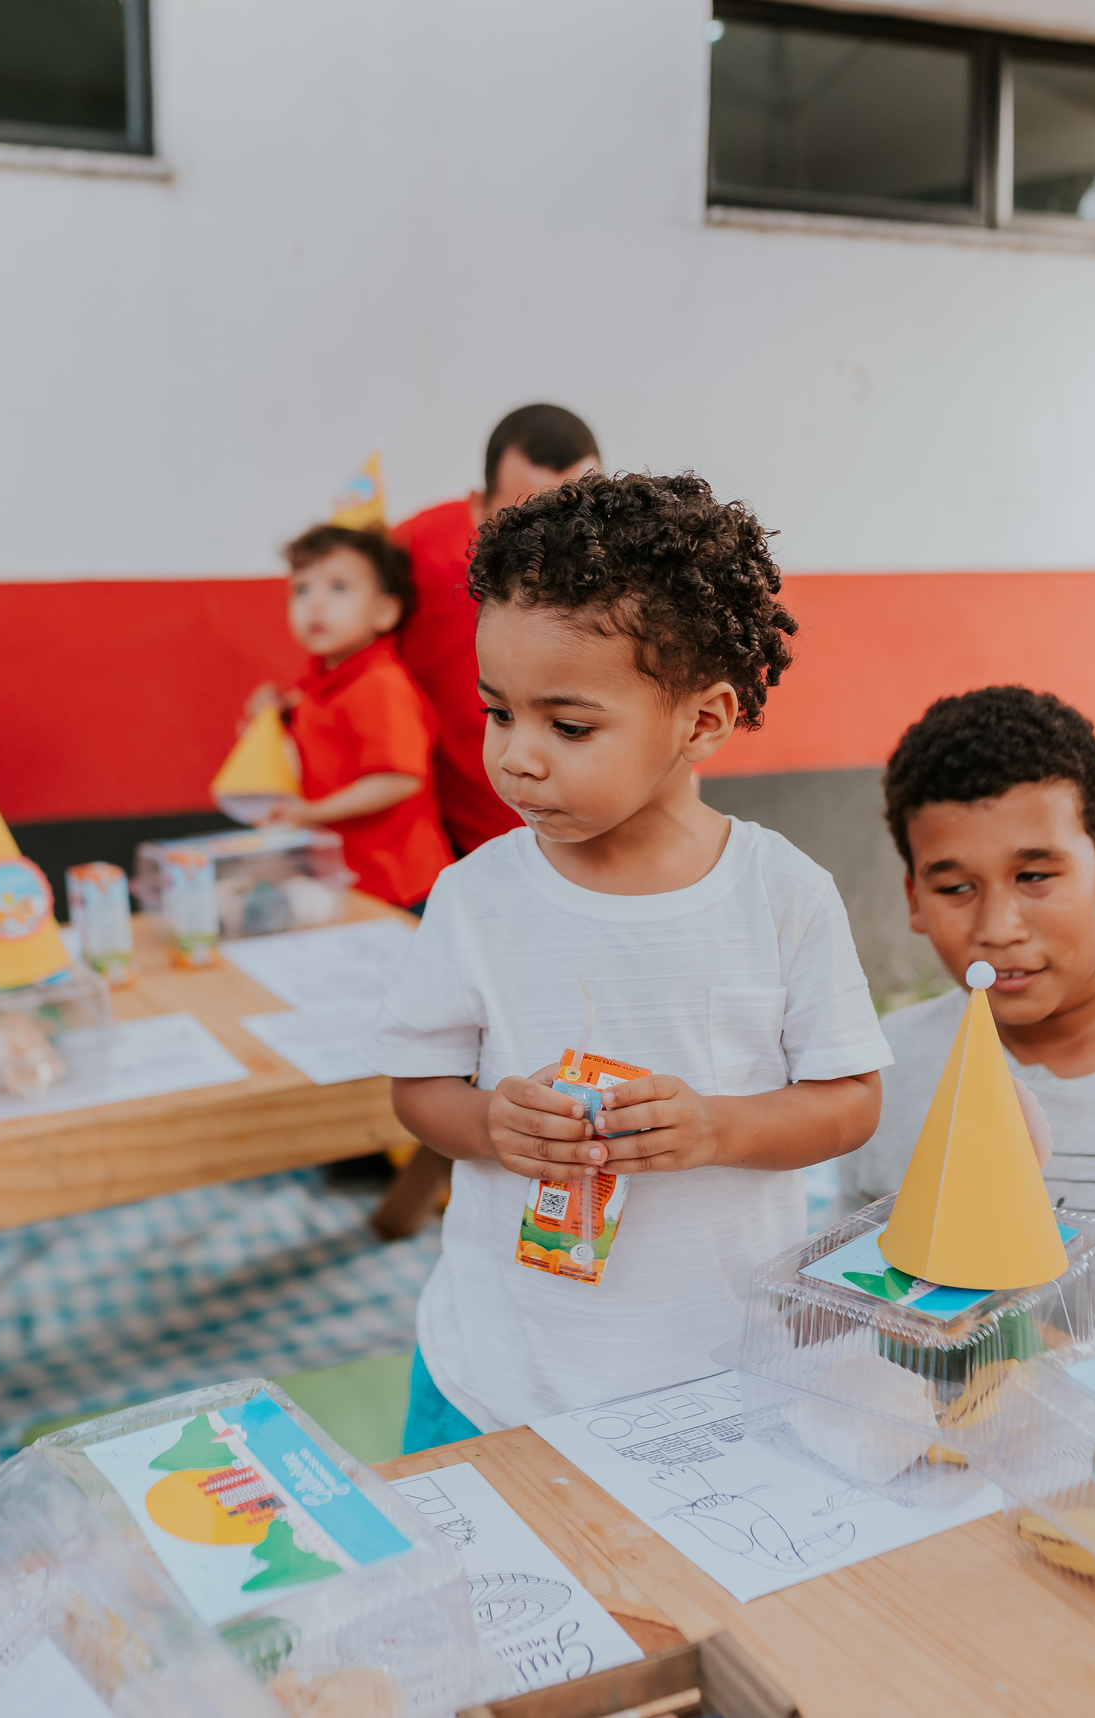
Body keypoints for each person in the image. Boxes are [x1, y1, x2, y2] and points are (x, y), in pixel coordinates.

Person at [366, 470, 892, 1449]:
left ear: (702, 720)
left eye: (568, 725)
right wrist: (489, 1120)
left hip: (714, 1371)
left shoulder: (781, 896)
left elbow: (850, 1097)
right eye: (496, 712)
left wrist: (715, 1128)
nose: (519, 756)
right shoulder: (477, 895)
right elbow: (417, 1087)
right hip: (493, 1372)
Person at [839, 686, 1095, 1294]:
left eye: (1035, 876)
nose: (996, 928)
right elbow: (857, 1289)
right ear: (914, 900)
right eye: (955, 888)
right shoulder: (877, 1071)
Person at [392, 404, 600, 857]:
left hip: (578, 829)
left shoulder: (605, 558)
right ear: (484, 498)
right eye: (526, 516)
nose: (547, 538)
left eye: (568, 515)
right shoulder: (418, 547)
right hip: (453, 832)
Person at [250, 523, 453, 912]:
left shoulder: (381, 684)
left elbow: (399, 779)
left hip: (402, 888)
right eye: (302, 589)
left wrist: (309, 814)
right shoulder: (317, 686)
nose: (316, 604)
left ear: (384, 611)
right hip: (352, 882)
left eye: (338, 588)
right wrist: (272, 717)